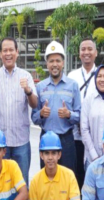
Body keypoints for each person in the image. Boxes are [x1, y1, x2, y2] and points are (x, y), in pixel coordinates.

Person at [0, 37, 39, 177]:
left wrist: (28, 91)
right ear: (0, 54)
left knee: (22, 183)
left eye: (11, 50)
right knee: (2, 184)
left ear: (17, 52)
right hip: (1, 144)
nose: (8, 54)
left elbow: (35, 104)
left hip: (21, 142)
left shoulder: (26, 76)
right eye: (5, 50)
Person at [34, 41, 83, 182]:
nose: (54, 64)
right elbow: (34, 117)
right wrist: (41, 114)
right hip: (46, 140)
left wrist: (69, 115)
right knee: (46, 180)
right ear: (47, 64)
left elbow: (79, 116)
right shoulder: (40, 87)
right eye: (51, 61)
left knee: (68, 179)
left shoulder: (73, 85)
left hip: (66, 140)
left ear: (63, 63)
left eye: (57, 60)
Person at [65, 38, 101, 177]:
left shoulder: (102, 75)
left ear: (96, 52)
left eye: (90, 49)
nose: (86, 52)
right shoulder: (72, 76)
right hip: (75, 137)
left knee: (94, 177)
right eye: (83, 49)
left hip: (94, 138)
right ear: (79, 53)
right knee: (76, 175)